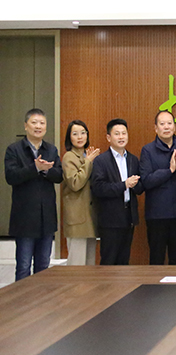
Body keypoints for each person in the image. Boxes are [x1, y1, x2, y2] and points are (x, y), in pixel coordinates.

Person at [4, 108, 63, 281]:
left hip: (47, 218)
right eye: (34, 122)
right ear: (25, 126)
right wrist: (35, 168)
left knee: (43, 266)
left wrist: (46, 170)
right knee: (23, 266)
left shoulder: (51, 150)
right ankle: (22, 298)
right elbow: (11, 177)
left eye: (42, 123)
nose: (38, 126)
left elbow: (59, 176)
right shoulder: (14, 150)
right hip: (24, 218)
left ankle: (42, 298)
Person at [90, 119, 144, 265]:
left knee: (124, 261)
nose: (121, 137)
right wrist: (124, 185)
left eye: (124, 133)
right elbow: (99, 188)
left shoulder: (133, 159)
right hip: (110, 219)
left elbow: (139, 189)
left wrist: (136, 184)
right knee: (109, 260)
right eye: (117, 134)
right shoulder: (101, 161)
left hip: (128, 217)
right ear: (109, 137)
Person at [140, 110, 176, 265]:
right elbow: (146, 180)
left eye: (169, 123)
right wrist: (170, 171)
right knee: (156, 258)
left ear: (174, 126)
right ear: (156, 128)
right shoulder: (147, 150)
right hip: (156, 214)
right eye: (162, 124)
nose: (166, 127)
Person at [62, 120, 100, 265]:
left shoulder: (86, 155)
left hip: (90, 216)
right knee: (76, 265)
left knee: (90, 263)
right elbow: (75, 183)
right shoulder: (69, 157)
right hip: (77, 218)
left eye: (83, 133)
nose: (80, 137)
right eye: (75, 134)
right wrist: (88, 162)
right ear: (69, 137)